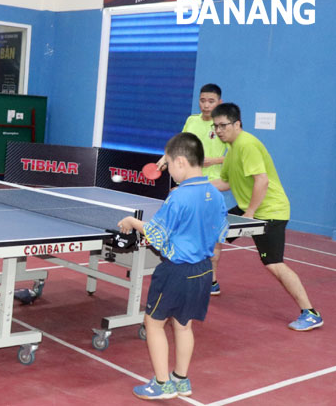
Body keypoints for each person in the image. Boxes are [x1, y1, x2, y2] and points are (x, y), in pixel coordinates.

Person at [119, 132, 228, 400]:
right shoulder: (215, 194)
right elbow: (220, 234)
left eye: (168, 165)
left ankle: (161, 384)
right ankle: (181, 379)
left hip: (176, 271)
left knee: (153, 323)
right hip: (203, 270)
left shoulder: (178, 197)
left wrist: (133, 223)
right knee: (183, 325)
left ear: (180, 162)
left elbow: (156, 234)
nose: (168, 171)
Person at [210, 103, 323, 331]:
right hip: (250, 209)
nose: (219, 130)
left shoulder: (246, 144)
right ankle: (210, 283)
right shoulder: (231, 150)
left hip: (270, 211)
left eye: (223, 125)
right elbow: (226, 182)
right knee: (213, 233)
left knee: (273, 264)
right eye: (216, 126)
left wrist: (249, 214)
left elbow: (262, 180)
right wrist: (193, 185)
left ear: (237, 124)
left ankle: (310, 313)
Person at [156, 83, 227, 296]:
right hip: (190, 181)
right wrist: (165, 157)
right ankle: (187, 273)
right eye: (203, 100)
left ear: (219, 102)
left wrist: (210, 160)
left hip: (213, 183)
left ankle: (212, 279)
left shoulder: (222, 126)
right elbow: (181, 143)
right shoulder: (192, 120)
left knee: (211, 234)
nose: (206, 105)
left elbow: (233, 156)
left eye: (211, 101)